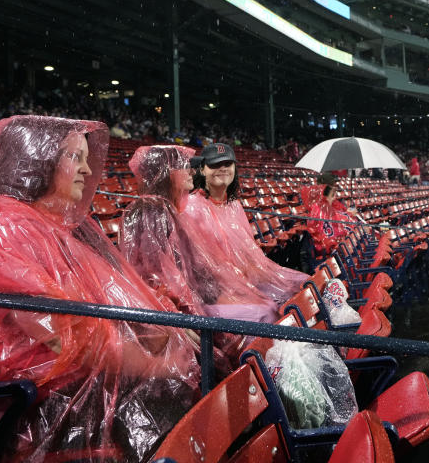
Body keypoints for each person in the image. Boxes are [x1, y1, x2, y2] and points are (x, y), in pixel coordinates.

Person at [0, 115, 200, 462]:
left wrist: (160, 335)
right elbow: (71, 339)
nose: (85, 169)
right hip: (19, 407)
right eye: (73, 157)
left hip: (60, 385)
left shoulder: (37, 222)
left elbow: (101, 310)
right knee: (179, 400)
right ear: (38, 159)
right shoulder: (0, 229)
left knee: (192, 381)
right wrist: (158, 365)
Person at [119, 146, 278, 359]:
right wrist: (180, 319)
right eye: (184, 167)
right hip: (177, 314)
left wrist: (228, 291)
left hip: (197, 303)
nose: (191, 171)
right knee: (264, 313)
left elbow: (197, 270)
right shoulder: (152, 212)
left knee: (266, 305)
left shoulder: (170, 210)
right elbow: (154, 279)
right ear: (165, 173)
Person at [188, 143, 308, 306]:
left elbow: (250, 252)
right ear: (202, 169)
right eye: (215, 164)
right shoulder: (192, 206)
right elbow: (199, 266)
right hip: (214, 292)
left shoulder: (234, 205)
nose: (223, 168)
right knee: (269, 310)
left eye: (228, 164)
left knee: (305, 284)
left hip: (244, 280)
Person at [306, 172, 357, 259]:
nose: (335, 184)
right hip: (328, 242)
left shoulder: (326, 201)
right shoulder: (319, 206)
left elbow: (339, 212)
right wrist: (349, 215)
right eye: (333, 183)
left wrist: (348, 213)